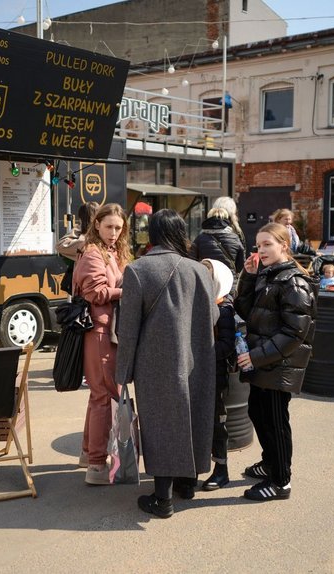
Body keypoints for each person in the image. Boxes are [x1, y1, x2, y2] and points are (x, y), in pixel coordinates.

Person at [115, 209, 217, 518]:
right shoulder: (199, 270)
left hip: (155, 363)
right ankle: (186, 485)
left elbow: (128, 329)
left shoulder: (138, 270)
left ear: (153, 234)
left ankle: (162, 498)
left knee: (160, 425)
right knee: (191, 417)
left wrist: (123, 372)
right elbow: (213, 316)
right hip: (197, 357)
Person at [234, 222, 317, 502]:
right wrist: (248, 275)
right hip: (263, 362)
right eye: (258, 245)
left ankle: (281, 480)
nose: (261, 250)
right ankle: (270, 463)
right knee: (259, 413)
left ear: (284, 245)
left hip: (277, 365)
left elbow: (295, 331)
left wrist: (256, 356)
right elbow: (245, 309)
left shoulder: (293, 280)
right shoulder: (268, 275)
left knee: (275, 422)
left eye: (268, 244)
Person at [74, 203, 129, 485]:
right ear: (97, 225)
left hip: (107, 330)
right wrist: (128, 289)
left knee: (98, 396)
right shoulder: (92, 252)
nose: (114, 233)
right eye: (109, 227)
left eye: (118, 228)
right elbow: (96, 292)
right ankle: (96, 465)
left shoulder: (109, 251)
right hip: (99, 331)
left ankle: (89, 455)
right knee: (103, 397)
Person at [199, 258, 236, 492]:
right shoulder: (198, 306)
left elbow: (227, 345)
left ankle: (221, 470)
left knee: (216, 424)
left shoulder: (223, 309)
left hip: (216, 376)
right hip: (199, 375)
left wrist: (202, 354)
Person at [190, 206, 245, 292]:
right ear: (226, 219)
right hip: (229, 281)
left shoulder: (200, 239)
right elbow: (240, 265)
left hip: (206, 281)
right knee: (227, 304)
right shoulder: (234, 238)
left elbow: (192, 262)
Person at [56, 202, 99, 295]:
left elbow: (60, 245)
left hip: (88, 286)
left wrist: (80, 228)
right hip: (92, 286)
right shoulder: (88, 236)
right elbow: (60, 245)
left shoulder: (87, 239)